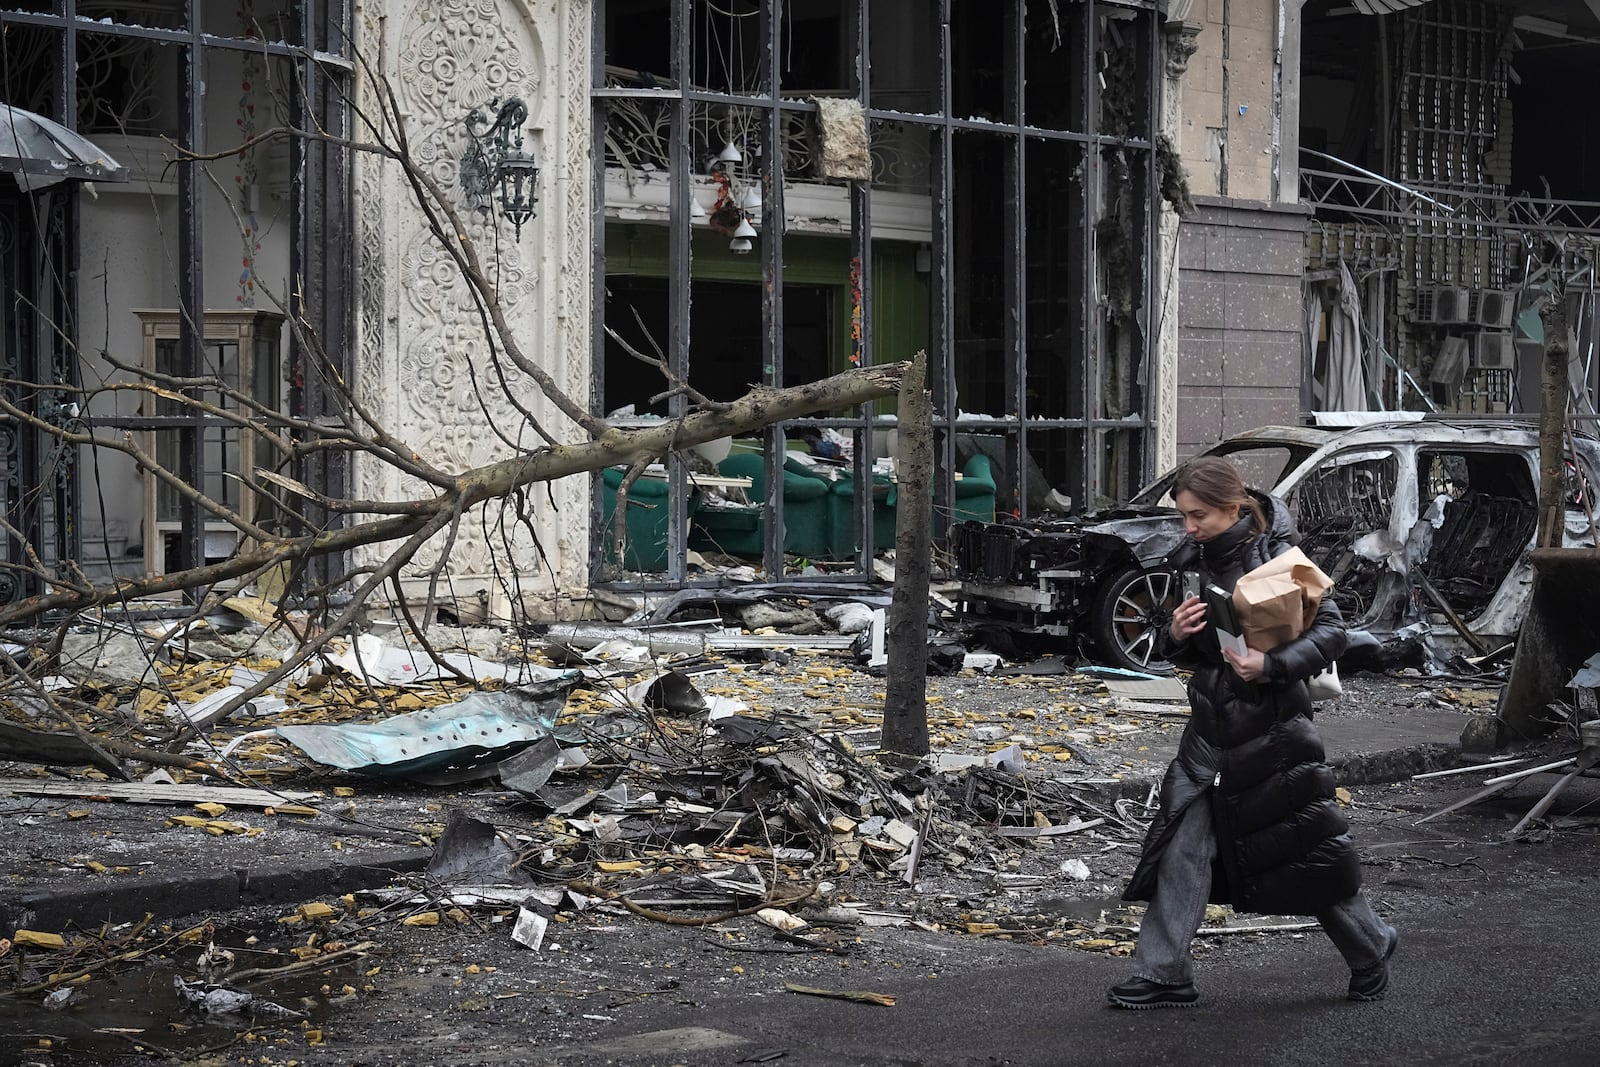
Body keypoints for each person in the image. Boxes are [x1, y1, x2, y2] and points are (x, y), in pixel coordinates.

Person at [1107, 456, 1398, 1010]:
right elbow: (1196, 648)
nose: (1188, 527)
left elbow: (1336, 631)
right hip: (1210, 733)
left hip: (1273, 737)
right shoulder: (1192, 558)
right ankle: (1164, 973)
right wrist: (1174, 633)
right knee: (1181, 847)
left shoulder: (1279, 556)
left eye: (1198, 516)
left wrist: (1271, 667)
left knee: (1297, 853)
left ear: (1234, 507)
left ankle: (1371, 948)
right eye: (1184, 517)